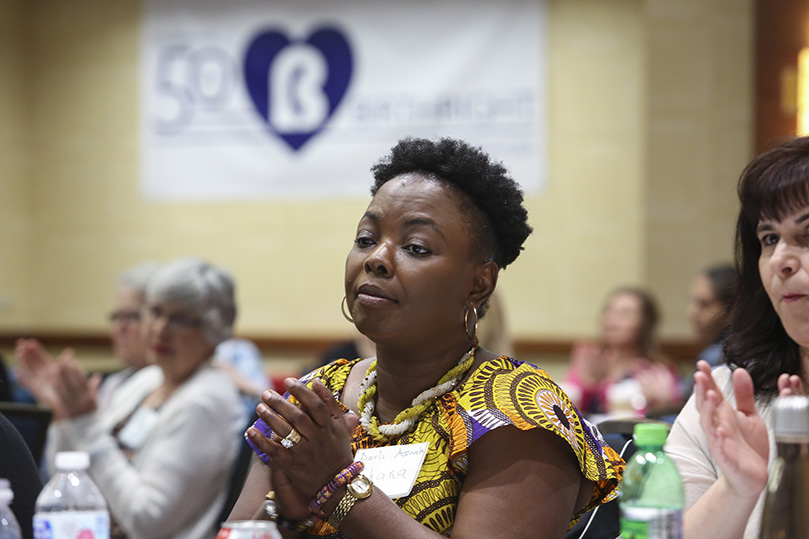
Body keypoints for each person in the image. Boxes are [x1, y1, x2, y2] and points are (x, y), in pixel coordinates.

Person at [229, 137, 623, 538]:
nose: (376, 258)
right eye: (366, 239)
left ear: (478, 283)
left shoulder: (516, 411)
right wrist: (290, 518)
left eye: (415, 247)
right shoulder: (318, 396)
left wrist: (337, 485)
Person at [17, 258, 246, 539]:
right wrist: (65, 418)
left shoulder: (206, 402)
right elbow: (64, 481)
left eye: (181, 319)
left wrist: (84, 424)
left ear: (215, 331)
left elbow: (145, 521)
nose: (160, 329)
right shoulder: (147, 380)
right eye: (155, 312)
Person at [665, 136, 809, 539]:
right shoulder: (727, 394)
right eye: (768, 239)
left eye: (807, 235)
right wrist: (735, 490)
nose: (781, 259)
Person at [15, 261, 159, 417]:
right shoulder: (113, 384)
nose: (120, 328)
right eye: (117, 317)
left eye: (132, 317)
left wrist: (80, 419)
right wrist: (61, 412)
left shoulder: (163, 389)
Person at [563, 287, 682, 418]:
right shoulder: (592, 360)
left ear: (644, 323)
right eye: (609, 310)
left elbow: (669, 415)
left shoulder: (655, 370)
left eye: (624, 313)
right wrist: (587, 384)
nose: (612, 318)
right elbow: (567, 408)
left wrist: (660, 404)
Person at [687, 263, 736, 369]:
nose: (693, 312)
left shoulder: (717, 357)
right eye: (694, 302)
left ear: (731, 309)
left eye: (704, 304)